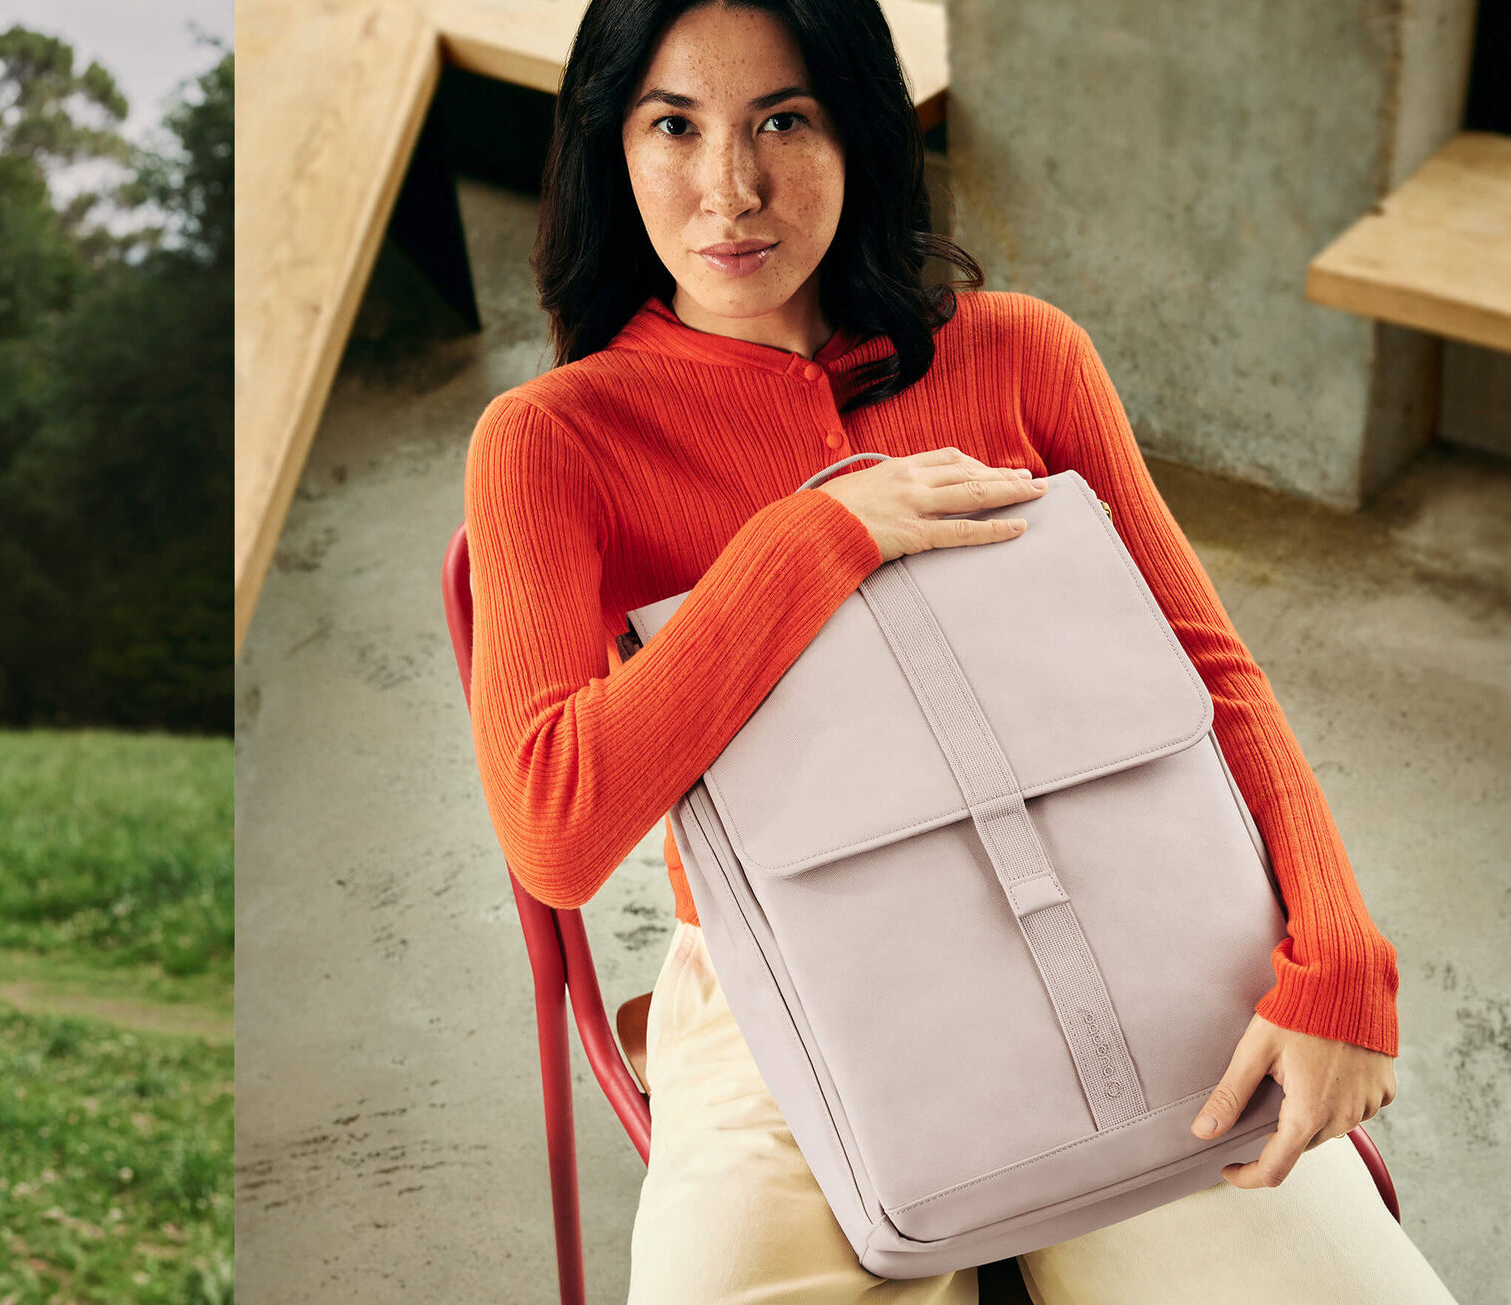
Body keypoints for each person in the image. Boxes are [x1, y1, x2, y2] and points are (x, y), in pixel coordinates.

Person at [459, 0, 1457, 1299]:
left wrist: (1337, 956)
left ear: (861, 128)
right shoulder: (553, 443)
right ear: (610, 144)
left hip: (1137, 926)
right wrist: (808, 540)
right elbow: (554, 830)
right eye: (674, 124)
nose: (731, 187)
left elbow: (1211, 674)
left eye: (783, 119)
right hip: (782, 986)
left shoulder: (1023, 355)